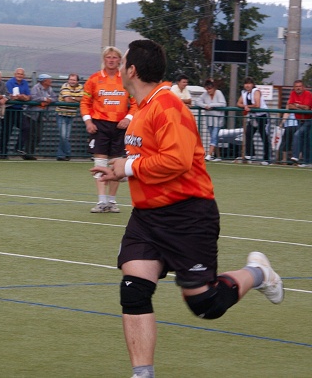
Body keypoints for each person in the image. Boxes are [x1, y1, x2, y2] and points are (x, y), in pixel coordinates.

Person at [90, 39, 283, 378]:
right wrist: (120, 168)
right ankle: (142, 374)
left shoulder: (167, 105)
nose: (117, 68)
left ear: (132, 70)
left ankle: (258, 272)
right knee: (133, 290)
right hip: (147, 218)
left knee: (205, 305)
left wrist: (128, 167)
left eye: (123, 63)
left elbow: (176, 161)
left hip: (187, 216)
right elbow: (147, 158)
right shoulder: (142, 108)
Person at [81, 46, 137, 213]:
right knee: (99, 163)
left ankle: (112, 201)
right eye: (108, 57)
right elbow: (85, 102)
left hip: (120, 126)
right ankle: (101, 201)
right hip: (100, 125)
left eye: (114, 57)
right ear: (104, 59)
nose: (111, 60)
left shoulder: (126, 79)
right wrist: (88, 121)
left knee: (116, 163)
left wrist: (128, 118)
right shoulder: (94, 79)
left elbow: (135, 102)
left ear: (120, 60)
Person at [236, 77, 270, 165]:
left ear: (252, 84)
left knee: (264, 137)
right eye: (246, 83)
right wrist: (245, 106)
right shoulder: (244, 93)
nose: (247, 85)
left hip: (262, 116)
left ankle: (267, 159)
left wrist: (248, 107)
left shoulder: (256, 91)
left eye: (249, 83)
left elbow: (257, 105)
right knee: (248, 133)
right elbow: (238, 103)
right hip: (253, 116)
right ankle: (251, 154)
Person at [20, 73, 55, 160]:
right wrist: (44, 99)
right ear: (44, 81)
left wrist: (49, 100)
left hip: (42, 115)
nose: (51, 81)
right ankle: (27, 153)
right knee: (31, 134)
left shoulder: (50, 89)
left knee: (38, 136)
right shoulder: (36, 88)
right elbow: (34, 98)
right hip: (32, 115)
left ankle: (30, 152)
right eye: (49, 80)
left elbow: (55, 98)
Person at [0, 67, 31, 157]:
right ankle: (3, 153)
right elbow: (11, 96)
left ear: (24, 75)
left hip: (18, 110)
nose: (20, 75)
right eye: (18, 74)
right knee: (6, 132)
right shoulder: (9, 83)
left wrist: (22, 97)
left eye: (21, 74)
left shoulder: (25, 83)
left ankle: (18, 147)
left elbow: (28, 97)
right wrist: (22, 97)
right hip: (9, 109)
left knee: (26, 127)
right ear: (14, 74)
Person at [195, 79, 226, 161]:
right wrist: (204, 105)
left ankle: (209, 154)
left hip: (218, 119)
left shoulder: (218, 93)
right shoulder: (205, 94)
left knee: (214, 136)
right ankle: (218, 156)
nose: (208, 91)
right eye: (207, 89)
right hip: (209, 120)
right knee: (214, 137)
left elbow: (223, 104)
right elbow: (197, 101)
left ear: (214, 88)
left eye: (210, 89)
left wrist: (211, 105)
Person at [55, 73, 84, 161]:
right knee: (63, 136)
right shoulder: (65, 86)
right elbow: (67, 99)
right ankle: (67, 153)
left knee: (66, 137)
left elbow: (83, 98)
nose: (72, 81)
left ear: (77, 81)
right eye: (70, 79)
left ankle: (61, 155)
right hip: (61, 114)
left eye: (74, 80)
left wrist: (72, 98)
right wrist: (76, 98)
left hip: (71, 115)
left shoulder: (80, 87)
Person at [286, 79, 312, 167]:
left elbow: (307, 107)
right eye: (296, 86)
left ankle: (295, 156)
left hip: (308, 120)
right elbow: (289, 106)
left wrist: (296, 105)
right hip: (299, 120)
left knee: (297, 135)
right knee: (305, 140)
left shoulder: (308, 94)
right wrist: (300, 107)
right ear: (294, 87)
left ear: (303, 87)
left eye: (300, 86)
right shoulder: (293, 93)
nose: (298, 88)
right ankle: (307, 162)